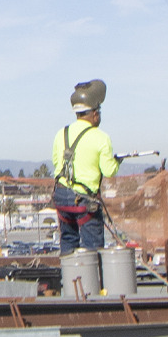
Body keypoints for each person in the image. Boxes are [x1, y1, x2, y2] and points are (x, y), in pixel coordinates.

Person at [51, 78, 120, 254]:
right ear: (95, 114)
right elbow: (109, 171)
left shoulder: (62, 133)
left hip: (62, 198)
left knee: (68, 242)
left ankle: (69, 279)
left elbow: (56, 163)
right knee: (93, 248)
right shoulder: (101, 137)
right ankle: (92, 280)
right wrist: (116, 161)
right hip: (85, 202)